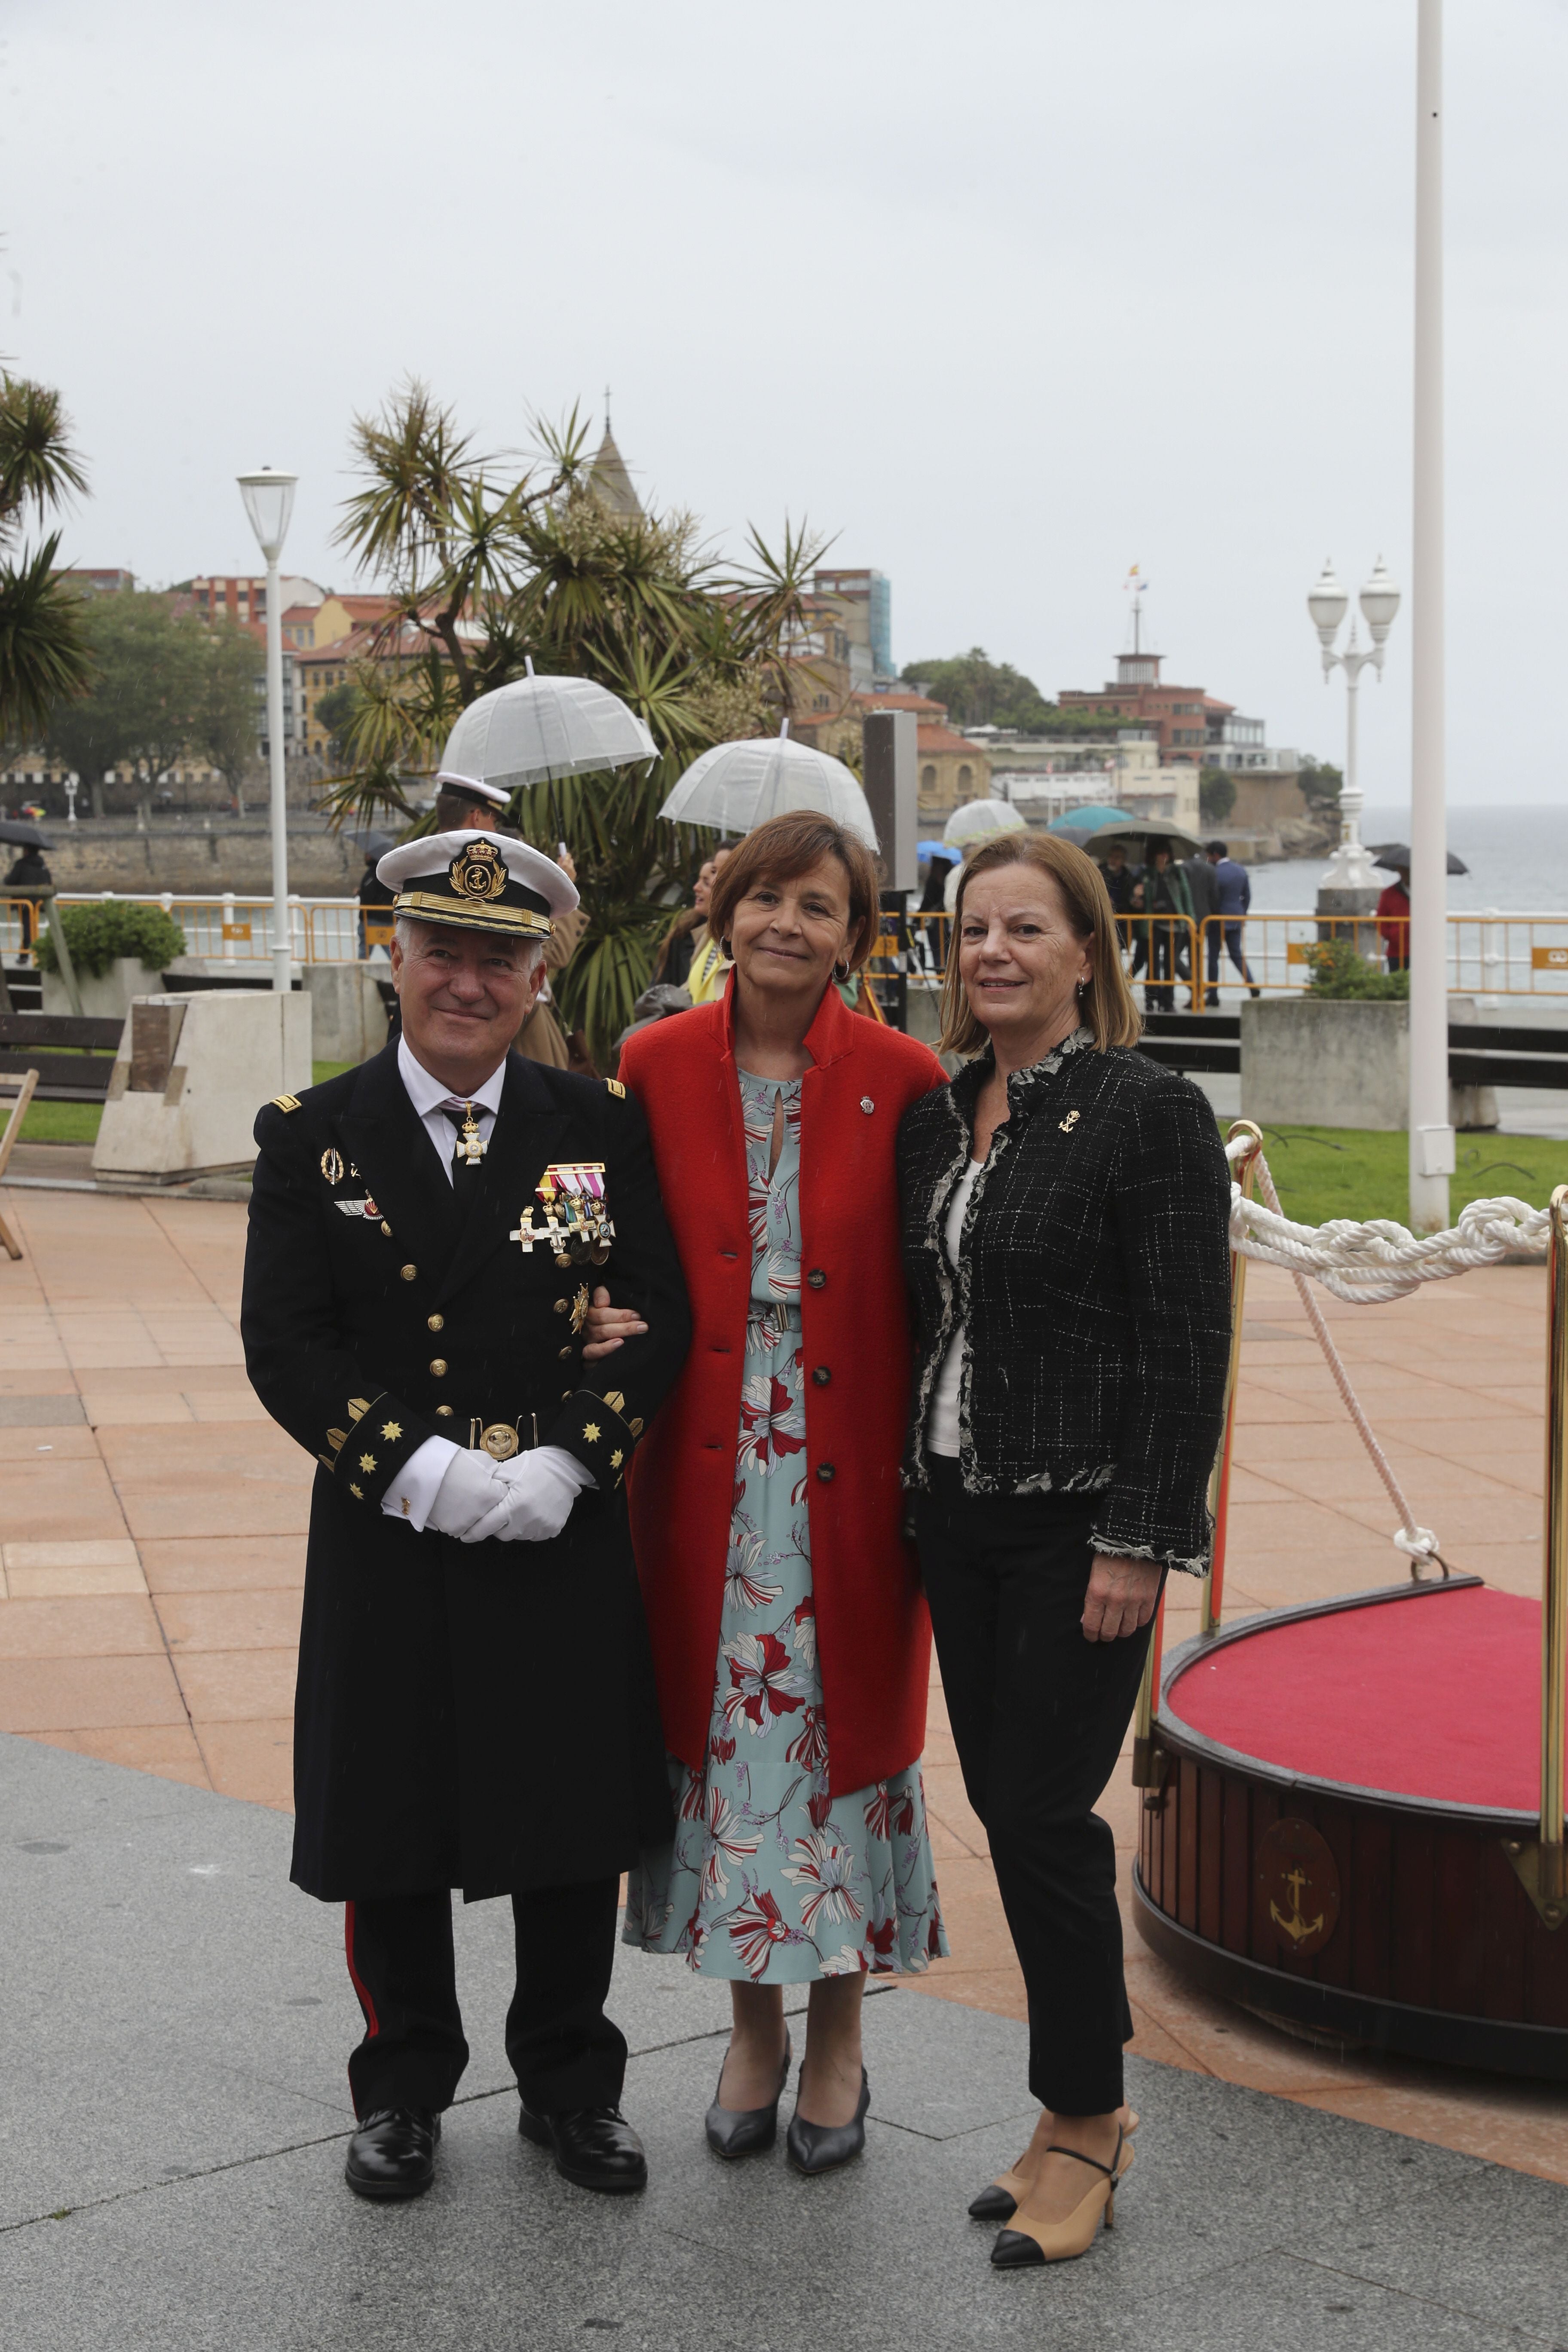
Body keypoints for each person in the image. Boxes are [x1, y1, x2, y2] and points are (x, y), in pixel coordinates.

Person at [240, 829, 691, 2206]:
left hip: (558, 1526)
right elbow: (287, 1342)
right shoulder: (316, 1141)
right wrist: (424, 1473)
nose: (468, 981)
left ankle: (571, 2083)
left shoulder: (598, 1126)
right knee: (395, 1814)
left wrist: (566, 1463)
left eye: (499, 958)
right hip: (393, 1532)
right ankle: (403, 2090)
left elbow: (659, 1314)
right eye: (443, 950)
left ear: (538, 970)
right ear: (396, 959)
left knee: (567, 1810)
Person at [592, 811, 949, 2176]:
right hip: (696, 1468)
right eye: (763, 899)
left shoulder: (906, 1077)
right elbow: (615, 1252)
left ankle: (842, 2035)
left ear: (856, 936)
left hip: (847, 1472)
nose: (786, 925)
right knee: (729, 1755)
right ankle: (752, 2028)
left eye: (818, 905)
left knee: (840, 1753)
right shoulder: (651, 1065)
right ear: (720, 913)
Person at [896, 830, 1232, 2268]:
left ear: (1084, 952)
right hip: (953, 1514)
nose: (990, 954)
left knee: (1042, 1818)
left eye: (1023, 929)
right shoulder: (940, 1110)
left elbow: (1184, 1344)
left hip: (1076, 1524)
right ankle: (1056, 2112)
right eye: (971, 930)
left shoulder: (1145, 1111)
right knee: (1009, 1806)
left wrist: (1143, 1537)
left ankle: (1087, 2118)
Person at [652, 847, 732, 996]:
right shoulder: (696, 933)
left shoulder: (739, 943)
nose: (696, 888)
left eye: (707, 881)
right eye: (715, 871)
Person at [1129, 837, 1191, 1011]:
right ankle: (1151, 999)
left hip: (1175, 924)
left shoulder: (1177, 873)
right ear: (1154, 855)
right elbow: (1137, 901)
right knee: (1153, 963)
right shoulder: (1147, 874)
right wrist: (1137, 895)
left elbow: (1186, 896)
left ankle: (1168, 1001)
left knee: (1170, 964)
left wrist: (1190, 920)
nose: (1164, 857)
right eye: (1161, 853)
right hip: (1153, 924)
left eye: (1167, 853)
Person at [1205, 840, 1259, 998]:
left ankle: (1213, 994)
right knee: (1236, 955)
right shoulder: (1240, 870)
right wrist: (1242, 914)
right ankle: (1252, 985)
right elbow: (1247, 896)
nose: (1208, 859)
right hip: (1236, 918)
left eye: (1209, 856)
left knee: (1213, 958)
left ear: (1215, 855)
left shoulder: (1214, 873)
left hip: (1217, 920)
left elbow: (1213, 898)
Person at [1179, 843, 1217, 1008]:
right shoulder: (1210, 870)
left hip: (1185, 920)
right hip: (1204, 920)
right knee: (1197, 960)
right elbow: (1215, 897)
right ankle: (1197, 992)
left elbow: (1181, 895)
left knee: (1173, 958)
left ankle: (1196, 988)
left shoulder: (1183, 869)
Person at [5, 843, 51, 953]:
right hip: (38, 903)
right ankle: (32, 953)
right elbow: (48, 882)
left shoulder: (21, 864)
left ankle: (26, 954)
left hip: (24, 902)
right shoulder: (42, 865)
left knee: (27, 929)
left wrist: (7, 877)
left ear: (27, 851)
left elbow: (11, 881)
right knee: (33, 927)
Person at [1377, 865, 1411, 971]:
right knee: (1398, 984)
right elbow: (1380, 920)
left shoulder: (1426, 892)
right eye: (1404, 869)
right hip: (1397, 950)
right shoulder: (1389, 893)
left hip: (1423, 949)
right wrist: (1393, 935)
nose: (1406, 873)